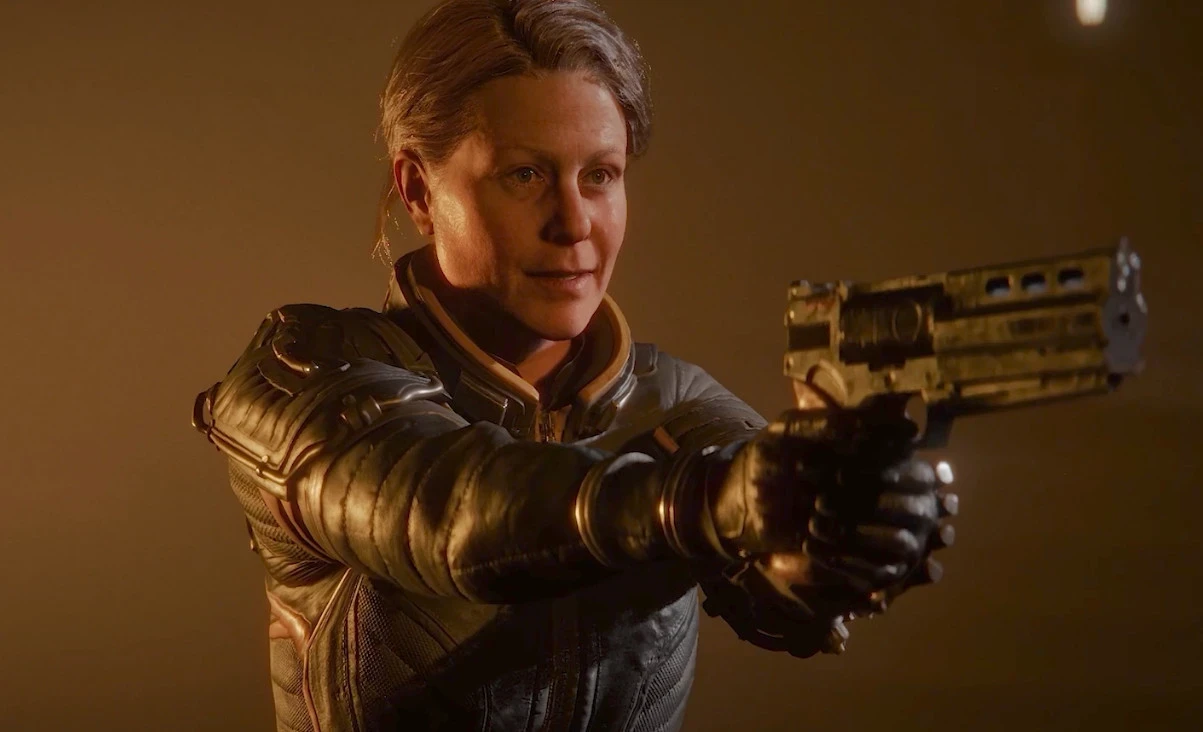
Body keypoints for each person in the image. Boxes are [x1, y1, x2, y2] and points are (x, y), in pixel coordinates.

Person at [192, 1, 957, 730]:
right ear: (418, 190)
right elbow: (451, 518)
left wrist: (851, 527)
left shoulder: (673, 402)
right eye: (524, 175)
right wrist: (706, 500)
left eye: (600, 175)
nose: (574, 223)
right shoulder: (305, 375)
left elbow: (780, 592)